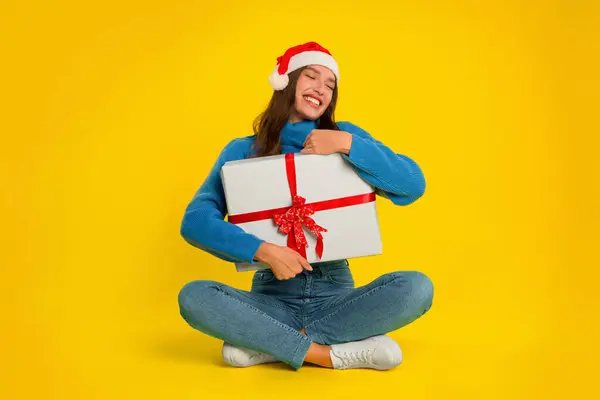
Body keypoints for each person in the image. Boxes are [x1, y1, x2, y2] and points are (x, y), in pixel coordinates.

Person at [177, 41, 433, 371]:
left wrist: (345, 143)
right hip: (269, 300)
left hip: (337, 298)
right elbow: (195, 221)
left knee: (416, 287)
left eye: (330, 84)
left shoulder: (345, 137)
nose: (321, 89)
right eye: (311, 76)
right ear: (287, 82)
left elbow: (412, 185)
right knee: (194, 296)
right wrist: (263, 250)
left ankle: (269, 344)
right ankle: (326, 353)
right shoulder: (242, 150)